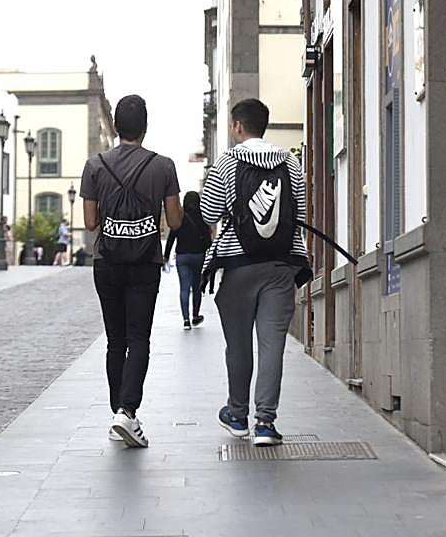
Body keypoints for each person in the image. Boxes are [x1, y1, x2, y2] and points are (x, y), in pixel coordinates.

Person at [201, 98, 311, 448]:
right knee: (272, 344)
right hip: (281, 265)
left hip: (238, 266)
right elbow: (302, 213)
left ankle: (237, 414)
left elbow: (208, 213)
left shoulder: (227, 161)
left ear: (237, 126)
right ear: (264, 124)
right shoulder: (291, 162)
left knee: (238, 345)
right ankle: (266, 422)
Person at [80, 94, 182, 448]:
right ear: (145, 126)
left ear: (117, 126)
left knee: (115, 341)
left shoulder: (95, 166)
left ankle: (118, 413)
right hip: (144, 264)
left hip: (107, 262)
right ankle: (127, 411)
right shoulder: (163, 166)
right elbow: (176, 221)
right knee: (139, 338)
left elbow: (90, 222)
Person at [165, 191, 212, 330]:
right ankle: (195, 315)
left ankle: (186, 320)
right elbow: (208, 241)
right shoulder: (202, 217)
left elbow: (171, 237)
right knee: (196, 287)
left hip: (182, 256)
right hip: (198, 256)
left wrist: (166, 256)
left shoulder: (180, 217)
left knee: (184, 288)